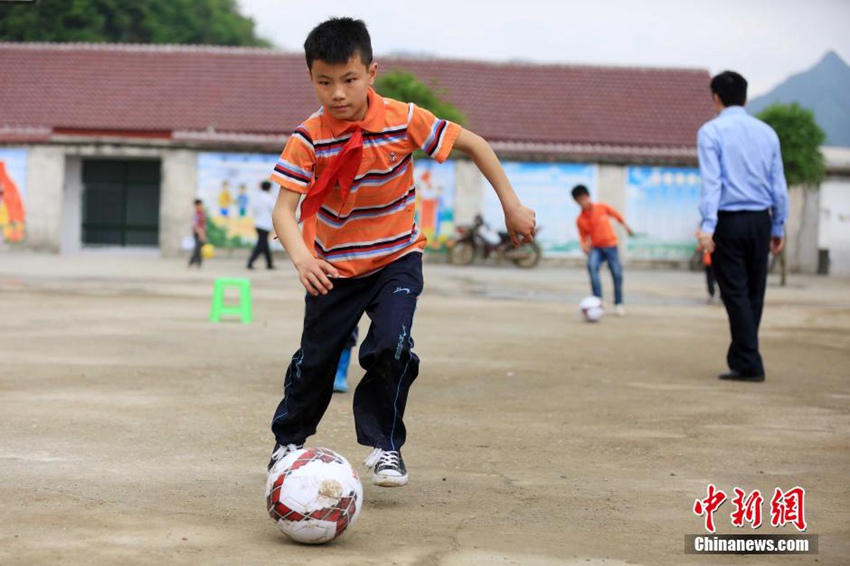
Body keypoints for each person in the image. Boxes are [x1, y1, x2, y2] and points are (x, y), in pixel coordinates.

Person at [267, 17, 536, 487]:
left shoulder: (404, 119)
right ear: (310, 77)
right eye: (324, 82)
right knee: (317, 360)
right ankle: (288, 442)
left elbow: (474, 144)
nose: (337, 94)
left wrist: (511, 205)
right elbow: (283, 211)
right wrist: (303, 259)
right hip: (334, 268)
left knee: (392, 346)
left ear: (372, 73)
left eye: (349, 80)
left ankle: (385, 446)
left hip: (397, 258)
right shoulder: (308, 137)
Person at [696, 71, 788, 383]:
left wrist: (708, 226)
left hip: (729, 221)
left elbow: (712, 183)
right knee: (753, 293)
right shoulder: (768, 133)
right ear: (746, 98)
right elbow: (779, 184)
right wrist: (778, 225)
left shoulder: (711, 132)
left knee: (734, 293)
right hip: (761, 220)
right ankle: (742, 359)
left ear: (716, 98)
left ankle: (750, 363)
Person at [571, 185, 633, 316]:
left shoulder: (602, 208)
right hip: (596, 248)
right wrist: (584, 245)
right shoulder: (580, 220)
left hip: (611, 246)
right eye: (579, 199)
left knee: (617, 273)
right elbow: (583, 236)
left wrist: (626, 226)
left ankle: (618, 303)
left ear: (588, 196)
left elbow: (617, 215)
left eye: (584, 197)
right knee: (592, 266)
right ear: (576, 201)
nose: (583, 201)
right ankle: (597, 301)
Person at [247, 181, 276, 270]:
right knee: (261, 245)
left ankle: (269, 264)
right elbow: (275, 210)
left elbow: (254, 210)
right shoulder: (269, 198)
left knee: (264, 244)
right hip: (265, 224)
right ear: (269, 188)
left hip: (258, 224)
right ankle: (250, 262)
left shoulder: (257, 198)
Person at [188, 199, 206, 268]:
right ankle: (192, 261)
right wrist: (200, 233)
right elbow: (195, 225)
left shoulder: (203, 213)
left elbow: (204, 224)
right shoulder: (196, 214)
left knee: (199, 248)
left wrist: (203, 234)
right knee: (197, 248)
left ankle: (197, 262)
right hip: (197, 233)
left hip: (202, 232)